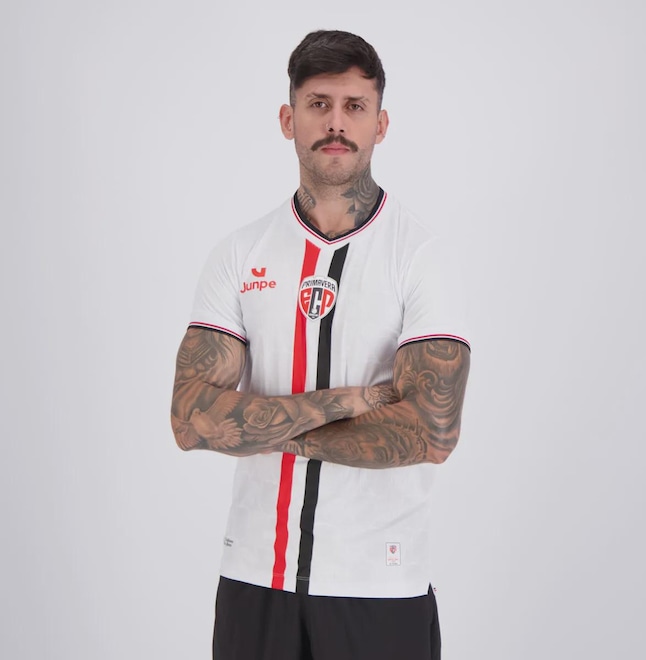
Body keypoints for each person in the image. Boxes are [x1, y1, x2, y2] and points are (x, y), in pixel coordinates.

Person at [170, 29, 471, 660]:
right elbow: (190, 419)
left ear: (380, 124)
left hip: (378, 583)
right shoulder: (240, 253)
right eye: (318, 104)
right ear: (289, 119)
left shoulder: (419, 256)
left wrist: (265, 426)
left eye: (354, 106)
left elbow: (432, 431)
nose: (336, 122)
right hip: (254, 577)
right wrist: (346, 402)